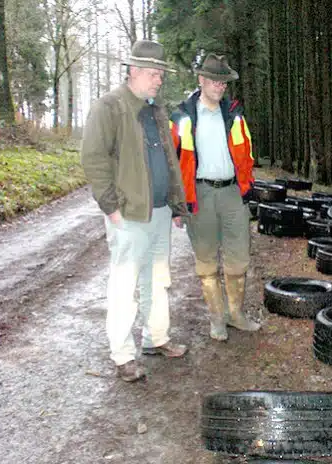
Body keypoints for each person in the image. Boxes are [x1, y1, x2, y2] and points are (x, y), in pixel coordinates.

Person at [81, 40, 189, 382]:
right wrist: (110, 207)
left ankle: (156, 338)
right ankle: (123, 355)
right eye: (154, 74)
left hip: (158, 213)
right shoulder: (109, 107)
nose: (159, 80)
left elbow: (168, 162)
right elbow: (94, 159)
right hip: (128, 215)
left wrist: (175, 203)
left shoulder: (155, 110)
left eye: (161, 74)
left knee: (158, 280)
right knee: (125, 285)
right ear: (134, 71)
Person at [170, 53, 260, 341]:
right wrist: (177, 204)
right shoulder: (183, 117)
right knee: (206, 261)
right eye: (215, 81)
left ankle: (235, 315)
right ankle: (216, 319)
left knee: (238, 258)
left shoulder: (234, 114)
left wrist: (248, 188)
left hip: (233, 193)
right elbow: (173, 162)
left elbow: (247, 155)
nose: (221, 86)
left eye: (224, 82)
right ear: (201, 80)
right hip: (201, 194)